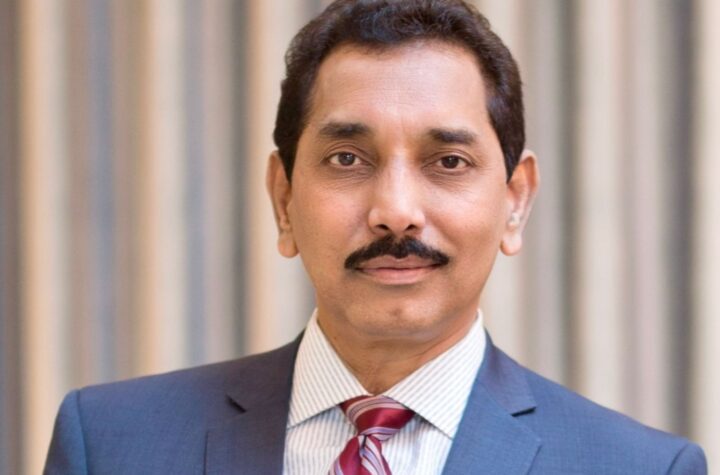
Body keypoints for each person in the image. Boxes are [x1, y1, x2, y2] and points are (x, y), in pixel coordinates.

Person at [45, 0, 707, 473]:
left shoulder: (643, 467)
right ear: (283, 199)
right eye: (347, 159)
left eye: (448, 161)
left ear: (515, 202)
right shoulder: (110, 444)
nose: (395, 212)